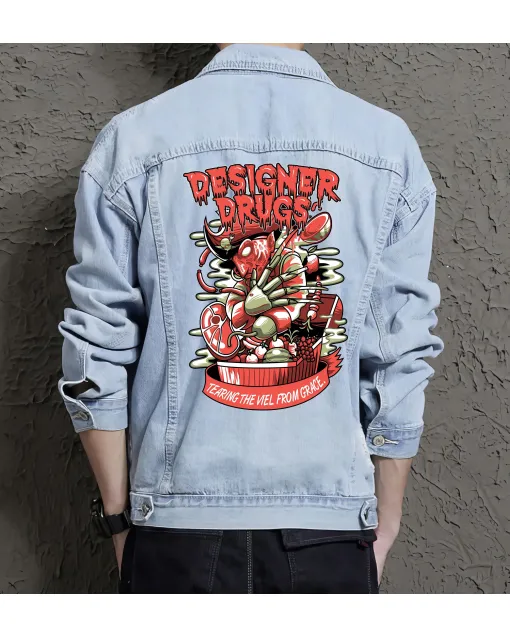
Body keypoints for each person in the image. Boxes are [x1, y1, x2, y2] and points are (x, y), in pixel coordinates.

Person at [58, 43, 443, 594]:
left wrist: (121, 523)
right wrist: (385, 522)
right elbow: (400, 353)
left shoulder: (134, 141)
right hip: (330, 527)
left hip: (174, 527)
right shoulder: (385, 146)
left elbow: (95, 347)